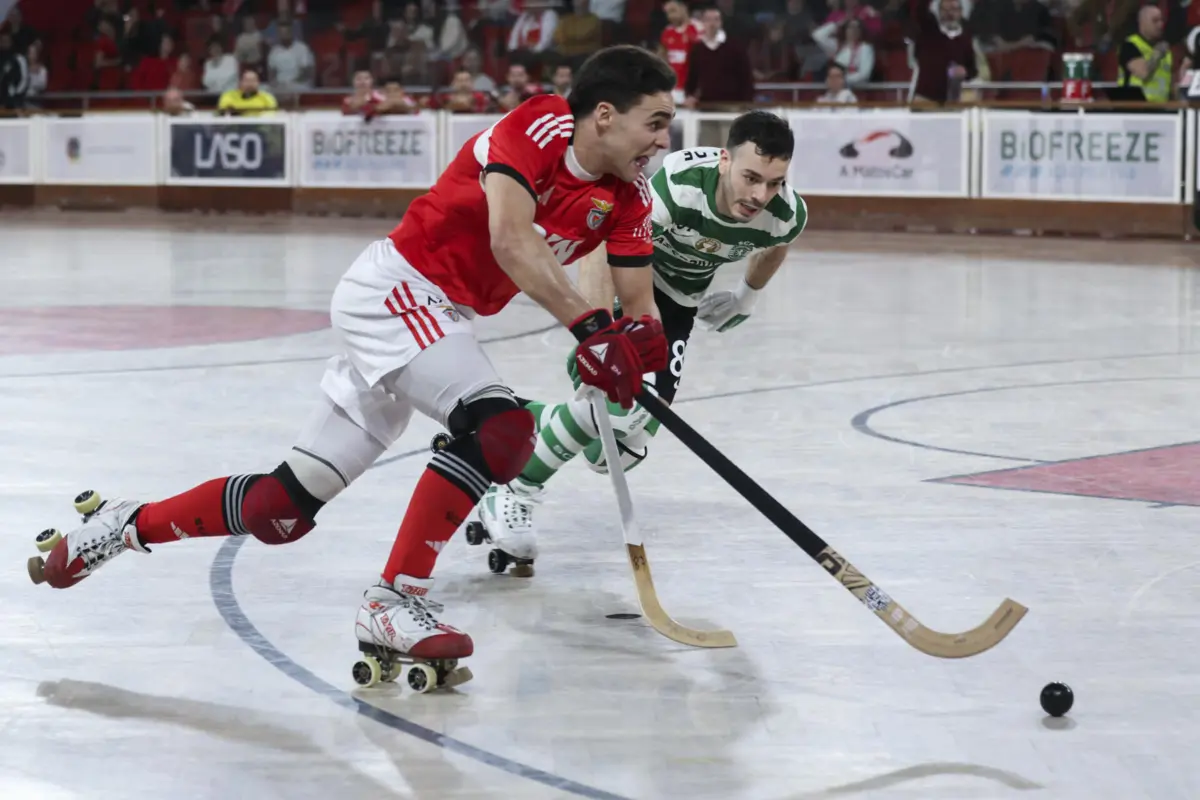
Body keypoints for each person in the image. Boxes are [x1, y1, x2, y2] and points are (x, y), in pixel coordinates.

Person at [28, 45, 677, 692]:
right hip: (399, 289)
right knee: (499, 428)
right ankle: (394, 601)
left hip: (437, 317)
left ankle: (124, 524)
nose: (662, 139)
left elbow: (640, 305)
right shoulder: (540, 124)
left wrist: (639, 348)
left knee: (280, 510)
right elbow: (510, 238)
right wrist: (591, 330)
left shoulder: (630, 197)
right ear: (603, 115)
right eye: (654, 122)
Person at [475, 111, 806, 573]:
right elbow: (601, 245)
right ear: (725, 160)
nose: (759, 195)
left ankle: (510, 420)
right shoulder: (678, 188)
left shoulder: (785, 212)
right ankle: (513, 491)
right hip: (627, 279)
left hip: (679, 304)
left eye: (774, 183)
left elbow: (777, 244)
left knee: (614, 453)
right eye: (751, 178)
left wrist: (746, 297)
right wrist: (596, 336)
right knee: (618, 411)